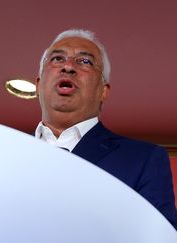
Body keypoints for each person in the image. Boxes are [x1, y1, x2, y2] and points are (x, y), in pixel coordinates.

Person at [34, 29, 177, 229]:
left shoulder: (144, 160)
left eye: (84, 61)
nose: (68, 66)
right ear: (38, 85)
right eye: (57, 58)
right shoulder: (3, 154)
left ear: (103, 91)